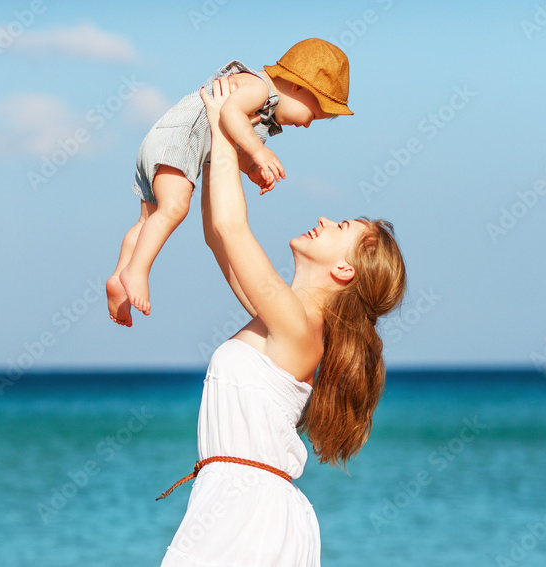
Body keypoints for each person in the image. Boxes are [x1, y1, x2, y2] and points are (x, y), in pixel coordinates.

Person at [155, 77, 407, 566]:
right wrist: (217, 142)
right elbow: (216, 235)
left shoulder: (297, 326)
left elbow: (232, 227)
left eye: (342, 229)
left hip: (247, 513)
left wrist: (224, 125)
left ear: (344, 271)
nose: (327, 220)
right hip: (239, 504)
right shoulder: (284, 319)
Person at [107, 39, 355, 327]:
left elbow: (229, 140)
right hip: (179, 142)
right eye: (313, 115)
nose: (308, 124)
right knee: (174, 209)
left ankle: (118, 278)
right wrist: (258, 151)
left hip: (165, 142)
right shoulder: (259, 88)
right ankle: (137, 272)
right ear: (298, 87)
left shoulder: (263, 108)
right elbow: (229, 114)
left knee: (149, 220)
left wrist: (250, 167)